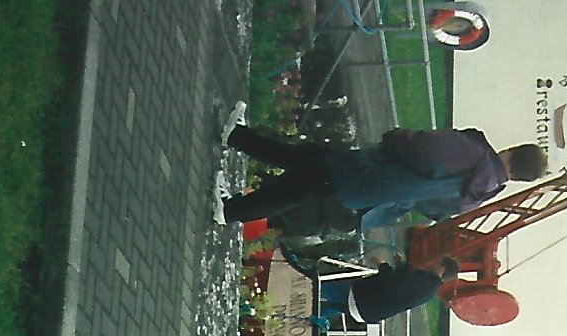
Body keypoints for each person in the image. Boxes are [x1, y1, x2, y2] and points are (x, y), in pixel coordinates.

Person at [214, 102, 547, 231]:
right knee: (303, 162)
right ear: (517, 178)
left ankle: (232, 211)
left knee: (299, 183)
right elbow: (434, 211)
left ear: (513, 150)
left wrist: (396, 138)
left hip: (371, 171)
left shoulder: (475, 154)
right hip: (371, 199)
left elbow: (424, 149)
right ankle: (237, 138)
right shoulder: (481, 193)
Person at [320, 257, 459, 324]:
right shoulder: (429, 290)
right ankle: (305, 313)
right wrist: (402, 266)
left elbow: (391, 286)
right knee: (330, 307)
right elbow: (403, 287)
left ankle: (299, 290)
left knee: (322, 289)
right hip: (366, 312)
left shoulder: (424, 281)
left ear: (442, 269)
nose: (432, 261)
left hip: (361, 299)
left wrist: (382, 265)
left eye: (437, 262)